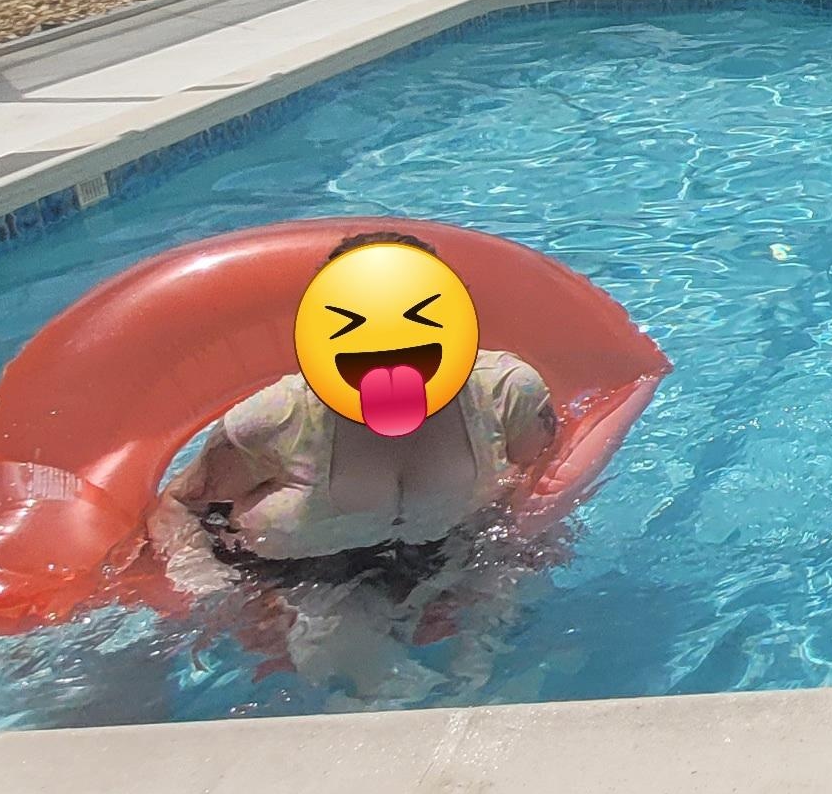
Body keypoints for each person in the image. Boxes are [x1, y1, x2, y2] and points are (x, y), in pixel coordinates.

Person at [146, 229, 558, 691]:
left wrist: (500, 550)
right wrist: (222, 598)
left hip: (444, 551)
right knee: (361, 671)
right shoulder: (278, 420)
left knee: (500, 647)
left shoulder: (506, 394)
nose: (389, 343)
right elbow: (182, 504)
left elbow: (537, 477)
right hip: (301, 576)